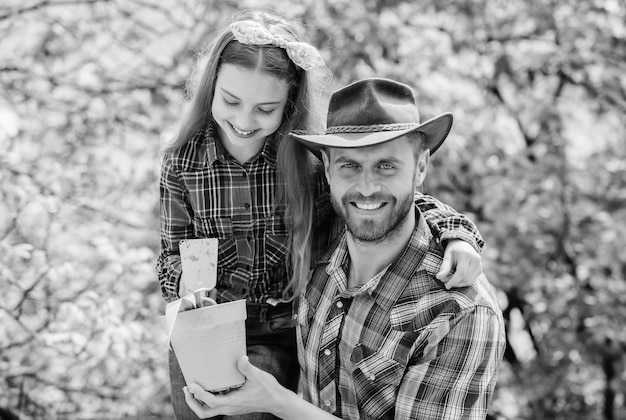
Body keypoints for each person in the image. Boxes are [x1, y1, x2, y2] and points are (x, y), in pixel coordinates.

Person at [157, 9, 486, 419]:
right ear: (211, 90)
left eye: (265, 108)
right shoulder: (182, 163)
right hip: (205, 324)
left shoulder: (307, 164)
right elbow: (171, 252)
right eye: (231, 101)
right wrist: (187, 283)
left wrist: (457, 232)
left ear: (288, 105)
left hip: (278, 326)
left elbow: (386, 202)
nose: (244, 120)